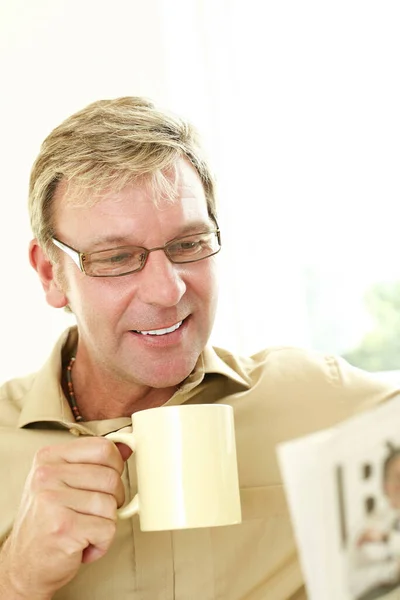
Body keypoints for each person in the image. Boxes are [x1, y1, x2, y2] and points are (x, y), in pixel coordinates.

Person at [0, 96, 398, 600]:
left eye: (188, 245)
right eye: (118, 257)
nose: (167, 291)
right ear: (49, 273)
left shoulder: (320, 401)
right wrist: (13, 577)